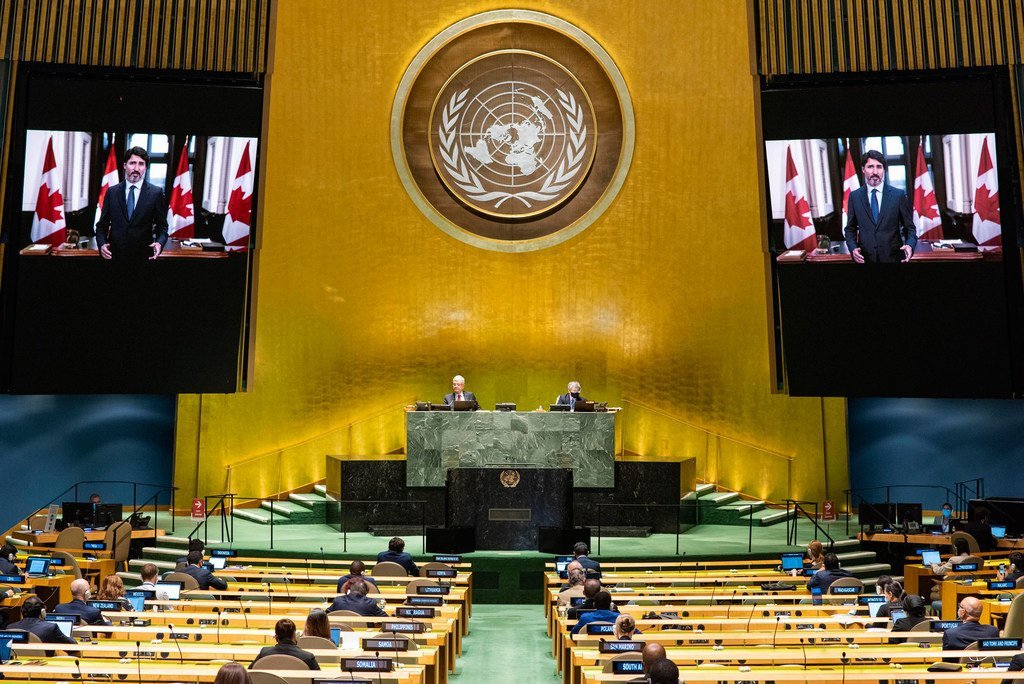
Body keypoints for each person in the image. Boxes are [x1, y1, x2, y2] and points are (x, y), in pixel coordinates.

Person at [94, 146, 169, 260]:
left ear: (145, 167)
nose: (136, 168)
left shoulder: (155, 193)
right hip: (115, 257)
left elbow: (162, 226)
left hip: (143, 258)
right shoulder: (112, 192)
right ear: (125, 165)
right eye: (132, 163)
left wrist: (159, 243)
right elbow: (101, 225)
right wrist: (102, 244)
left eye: (141, 164)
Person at [843, 150, 916, 264]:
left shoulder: (898, 195)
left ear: (884, 170)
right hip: (865, 259)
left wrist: (910, 245)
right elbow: (850, 229)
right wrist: (852, 249)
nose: (875, 171)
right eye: (870, 167)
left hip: (893, 259)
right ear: (863, 169)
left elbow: (910, 228)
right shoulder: (855, 196)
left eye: (879, 167)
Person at [7, 596, 77, 655]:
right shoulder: (50, 628)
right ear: (43, 612)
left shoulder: (10, 628)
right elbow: (72, 647)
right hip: (45, 666)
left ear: (22, 611)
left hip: (16, 666)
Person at [250, 618, 320, 670]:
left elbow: (250, 672)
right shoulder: (307, 657)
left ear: (276, 637)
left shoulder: (264, 653)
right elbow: (319, 680)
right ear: (294, 636)